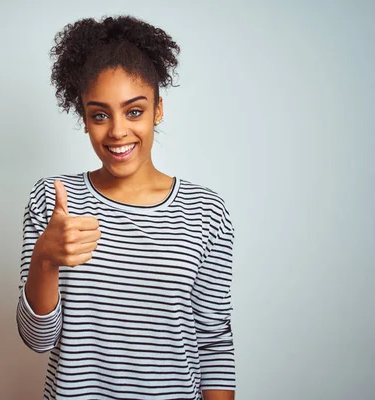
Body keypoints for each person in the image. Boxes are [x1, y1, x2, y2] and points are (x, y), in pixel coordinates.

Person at [16, 15, 236, 400]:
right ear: (84, 119)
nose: (117, 131)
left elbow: (214, 343)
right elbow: (37, 340)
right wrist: (45, 260)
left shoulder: (206, 211)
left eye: (134, 111)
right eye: (100, 114)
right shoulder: (53, 201)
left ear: (158, 110)